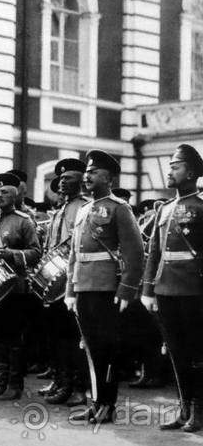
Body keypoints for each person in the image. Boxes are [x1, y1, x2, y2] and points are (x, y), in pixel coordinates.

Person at [65, 150, 144, 424]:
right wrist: (70, 290)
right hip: (84, 287)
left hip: (107, 288)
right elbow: (75, 254)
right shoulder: (84, 209)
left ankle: (107, 405)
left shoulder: (119, 208)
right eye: (86, 173)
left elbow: (135, 252)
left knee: (107, 349)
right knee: (89, 348)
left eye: (93, 172)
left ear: (108, 178)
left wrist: (126, 290)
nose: (86, 177)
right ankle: (96, 402)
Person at [142, 144, 203, 432]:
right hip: (165, 289)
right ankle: (184, 409)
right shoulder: (164, 208)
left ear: (190, 173)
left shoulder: (201, 207)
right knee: (177, 352)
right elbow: (154, 252)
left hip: (194, 290)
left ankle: (200, 411)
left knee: (197, 352)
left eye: (175, 167)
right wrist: (147, 290)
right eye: (169, 166)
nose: (170, 171)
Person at [0, 172, 41, 401]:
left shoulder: (23, 221)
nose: (0, 195)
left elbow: (36, 252)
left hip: (15, 288)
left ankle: (15, 384)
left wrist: (12, 254)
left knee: (15, 338)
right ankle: (0, 381)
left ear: (16, 195)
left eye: (6, 192)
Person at [40, 159, 89, 407]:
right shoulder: (59, 209)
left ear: (82, 181)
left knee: (75, 337)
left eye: (69, 177)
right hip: (55, 281)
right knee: (57, 335)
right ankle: (61, 381)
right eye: (61, 178)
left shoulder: (84, 207)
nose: (63, 181)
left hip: (75, 280)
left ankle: (78, 388)